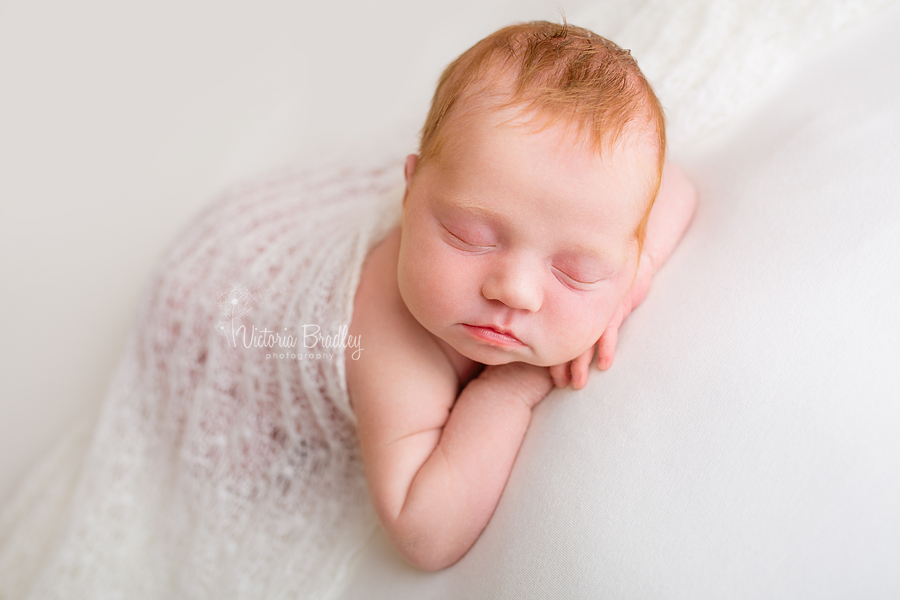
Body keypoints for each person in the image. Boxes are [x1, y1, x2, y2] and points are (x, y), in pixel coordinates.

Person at [346, 20, 698, 571]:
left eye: (577, 271)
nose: (515, 290)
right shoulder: (388, 331)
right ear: (410, 191)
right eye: (470, 237)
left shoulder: (604, 227)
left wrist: (630, 282)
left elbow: (677, 186)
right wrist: (507, 388)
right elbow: (421, 534)